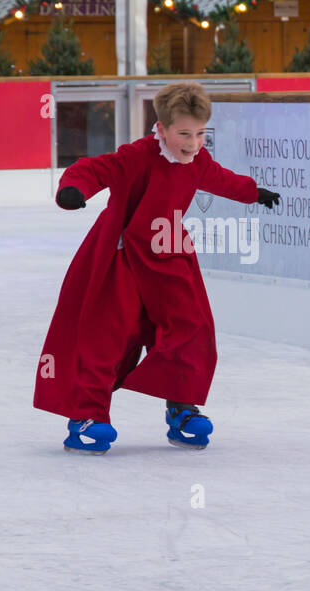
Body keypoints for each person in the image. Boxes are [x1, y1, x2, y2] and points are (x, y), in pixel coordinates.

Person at [34, 81, 279, 453]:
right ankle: (87, 416)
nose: (193, 143)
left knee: (191, 328)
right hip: (123, 258)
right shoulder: (139, 156)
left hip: (168, 256)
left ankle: (181, 408)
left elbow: (219, 179)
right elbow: (95, 169)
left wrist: (252, 191)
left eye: (200, 134)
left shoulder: (197, 160)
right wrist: (74, 189)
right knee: (107, 333)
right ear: (161, 129)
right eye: (184, 134)